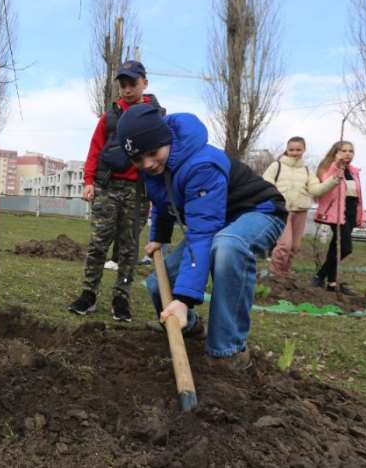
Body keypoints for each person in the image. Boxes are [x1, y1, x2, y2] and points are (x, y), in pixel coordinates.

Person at [116, 104, 286, 367]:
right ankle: (191, 328)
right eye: (138, 159)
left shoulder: (200, 165)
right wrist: (159, 236)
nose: (147, 164)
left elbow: (203, 234)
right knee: (157, 285)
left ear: (166, 139)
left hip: (258, 211)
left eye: (152, 153)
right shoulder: (155, 168)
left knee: (228, 247)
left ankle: (228, 350)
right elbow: (163, 202)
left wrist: (183, 299)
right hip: (216, 222)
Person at [69, 60, 161, 322]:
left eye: (133, 83)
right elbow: (95, 149)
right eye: (123, 84)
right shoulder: (109, 118)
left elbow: (164, 155)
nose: (128, 89)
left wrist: (157, 194)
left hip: (138, 192)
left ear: (144, 83)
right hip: (107, 188)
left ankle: (121, 297)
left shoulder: (156, 116)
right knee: (98, 244)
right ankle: (88, 294)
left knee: (129, 249)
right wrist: (88, 181)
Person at [262, 136, 339, 278]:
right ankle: (274, 274)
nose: (295, 152)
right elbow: (266, 185)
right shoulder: (276, 166)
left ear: (304, 150)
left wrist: (333, 181)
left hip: (301, 211)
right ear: (287, 150)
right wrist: (275, 200)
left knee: (294, 247)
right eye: (291, 149)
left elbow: (315, 189)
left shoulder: (307, 171)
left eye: (298, 149)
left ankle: (284, 274)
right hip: (282, 211)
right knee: (284, 245)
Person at [312, 141, 366, 295]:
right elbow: (325, 184)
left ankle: (331, 283)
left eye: (351, 151)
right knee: (345, 248)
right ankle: (320, 275)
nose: (348, 154)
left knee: (335, 247)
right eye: (343, 150)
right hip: (336, 213)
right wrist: (336, 166)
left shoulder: (354, 172)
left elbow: (358, 196)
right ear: (335, 152)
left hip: (350, 212)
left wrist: (361, 215)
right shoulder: (329, 168)